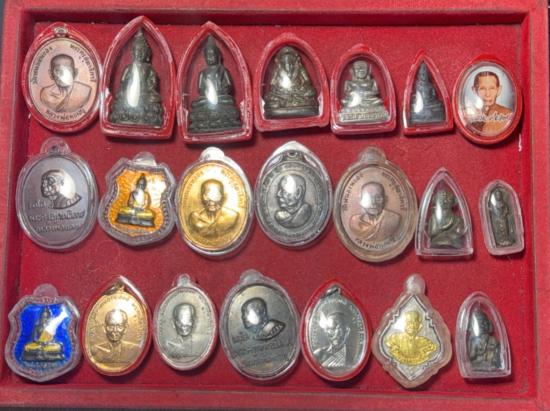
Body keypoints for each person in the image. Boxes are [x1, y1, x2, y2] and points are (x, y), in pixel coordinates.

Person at [108, 29, 164, 127]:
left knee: (153, 103)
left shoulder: (149, 69)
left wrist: (148, 91)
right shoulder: (129, 68)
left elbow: (152, 85)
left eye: (143, 51)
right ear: (133, 52)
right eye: (137, 50)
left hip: (145, 96)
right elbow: (123, 83)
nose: (140, 53)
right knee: (120, 102)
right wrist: (124, 92)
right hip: (129, 97)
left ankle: (136, 115)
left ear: (147, 54)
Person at [188, 35, 241, 132]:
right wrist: (208, 93)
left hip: (221, 98)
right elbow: (200, 89)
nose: (210, 58)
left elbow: (229, 86)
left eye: (212, 55)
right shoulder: (203, 73)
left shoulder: (223, 70)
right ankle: (219, 121)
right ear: (205, 57)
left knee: (229, 102)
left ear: (218, 56)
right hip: (207, 100)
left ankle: (207, 122)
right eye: (208, 56)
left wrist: (223, 90)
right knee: (195, 104)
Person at [263, 46, 319, 118]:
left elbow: (307, 81)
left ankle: (293, 102)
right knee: (268, 96)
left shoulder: (300, 68)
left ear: (295, 61)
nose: (288, 66)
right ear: (281, 62)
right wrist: (280, 89)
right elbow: (272, 84)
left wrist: (301, 88)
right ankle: (290, 102)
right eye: (285, 63)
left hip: (298, 91)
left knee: (311, 91)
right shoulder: (278, 70)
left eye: (291, 63)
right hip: (282, 94)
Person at [468, 71, 513, 136]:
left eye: (492, 88)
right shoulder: (467, 115)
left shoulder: (508, 114)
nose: (487, 94)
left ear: (499, 90)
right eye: (482, 89)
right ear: (474, 90)